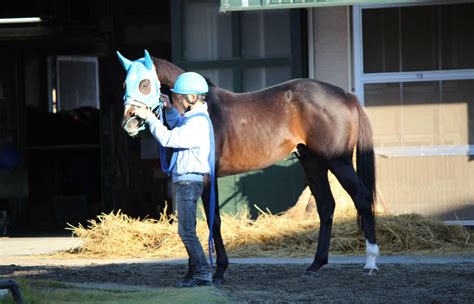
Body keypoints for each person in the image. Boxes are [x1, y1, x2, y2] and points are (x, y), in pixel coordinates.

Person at [133, 72, 213, 288]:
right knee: (188, 230)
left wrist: (150, 118)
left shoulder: (197, 123)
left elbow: (170, 138)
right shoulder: (193, 118)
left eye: (180, 97)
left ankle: (203, 275)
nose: (178, 99)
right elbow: (178, 125)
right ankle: (200, 274)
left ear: (193, 98)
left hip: (188, 182)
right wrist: (168, 108)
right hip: (186, 181)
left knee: (186, 231)